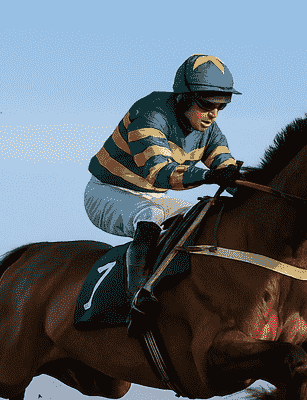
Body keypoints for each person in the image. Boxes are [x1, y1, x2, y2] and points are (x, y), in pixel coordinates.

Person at [84, 54, 242, 336]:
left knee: (201, 215)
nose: (214, 114)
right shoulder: (149, 113)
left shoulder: (208, 129)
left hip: (151, 196)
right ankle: (137, 301)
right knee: (151, 215)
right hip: (108, 192)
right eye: (207, 104)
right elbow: (160, 173)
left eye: (221, 106)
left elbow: (227, 167)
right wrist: (208, 176)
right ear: (184, 97)